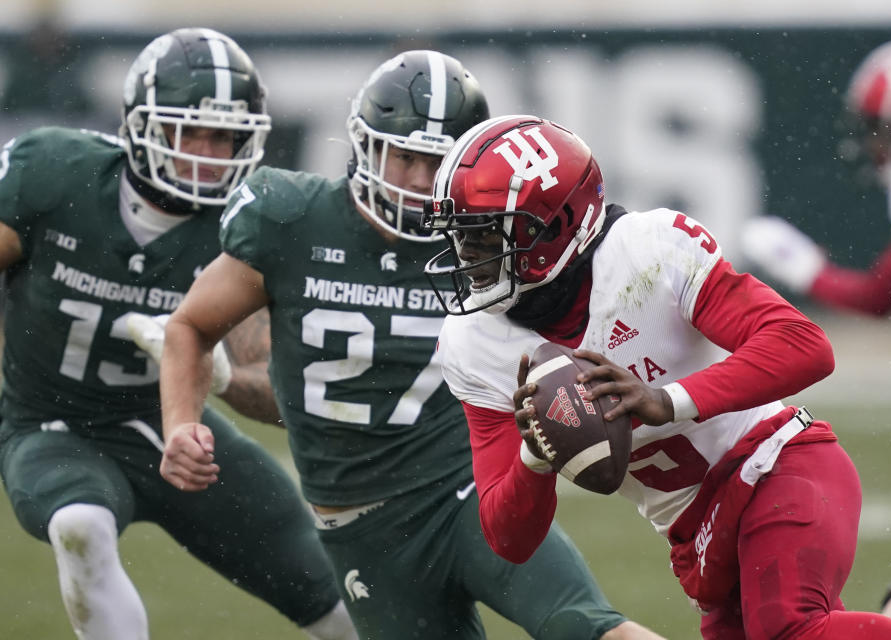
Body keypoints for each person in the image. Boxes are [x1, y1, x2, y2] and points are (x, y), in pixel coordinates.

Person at [156, 49, 661, 640]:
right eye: (404, 157)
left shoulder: (488, 238)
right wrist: (180, 423)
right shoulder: (289, 221)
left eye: (436, 159)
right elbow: (191, 326)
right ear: (366, 146)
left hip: (469, 494)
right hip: (359, 530)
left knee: (588, 629)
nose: (421, 181)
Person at [418, 113, 891, 640]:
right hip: (695, 532)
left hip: (773, 462)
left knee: (789, 627)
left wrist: (668, 400)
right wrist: (534, 455)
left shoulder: (647, 253)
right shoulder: (473, 345)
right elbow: (509, 539)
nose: (470, 259)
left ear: (556, 226)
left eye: (487, 238)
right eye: (463, 238)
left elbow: (804, 346)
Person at [0, 28, 356, 640]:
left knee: (325, 587)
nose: (209, 154)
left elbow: (282, 391)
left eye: (227, 136)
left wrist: (215, 376)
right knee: (80, 521)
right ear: (141, 125)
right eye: (191, 130)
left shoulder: (244, 226)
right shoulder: (54, 173)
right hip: (48, 422)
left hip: (169, 426)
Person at [740, 38, 891, 630]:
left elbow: (886, 288)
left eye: (882, 128)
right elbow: (885, 292)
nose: (875, 145)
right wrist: (810, 269)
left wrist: (807, 269)